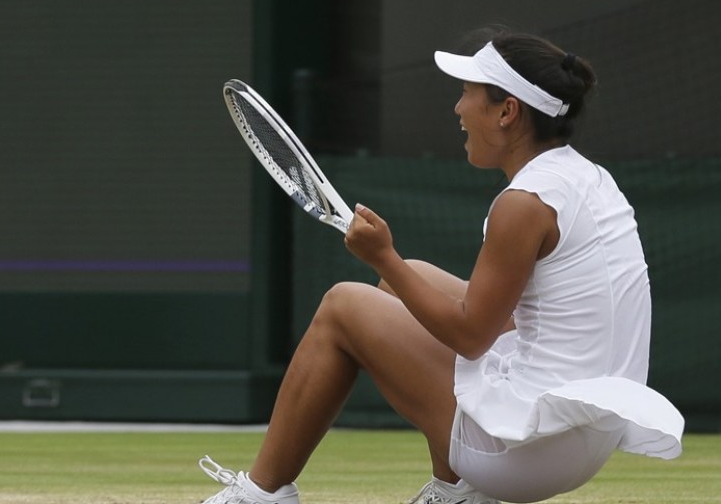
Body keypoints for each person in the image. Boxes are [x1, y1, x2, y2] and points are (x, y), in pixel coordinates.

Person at [199, 29, 683, 504]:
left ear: (507, 112)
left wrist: (382, 255)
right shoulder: (590, 178)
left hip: (526, 454)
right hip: (586, 439)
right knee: (408, 280)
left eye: (468, 93)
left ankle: (263, 493)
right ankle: (457, 493)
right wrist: (396, 269)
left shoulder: (524, 203)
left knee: (343, 305)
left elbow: (471, 336)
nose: (458, 108)